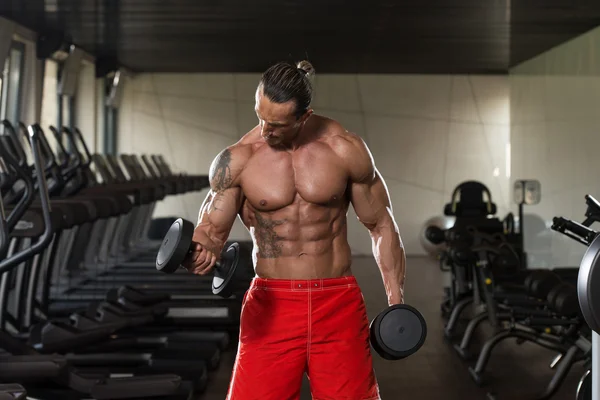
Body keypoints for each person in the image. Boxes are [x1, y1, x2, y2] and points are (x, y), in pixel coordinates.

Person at [182, 60, 406, 400]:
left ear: (304, 116)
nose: (265, 130)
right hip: (272, 304)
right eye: (260, 117)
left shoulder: (345, 149)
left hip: (337, 302)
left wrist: (395, 301)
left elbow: (381, 224)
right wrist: (197, 251)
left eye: (276, 124)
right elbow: (211, 231)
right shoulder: (238, 159)